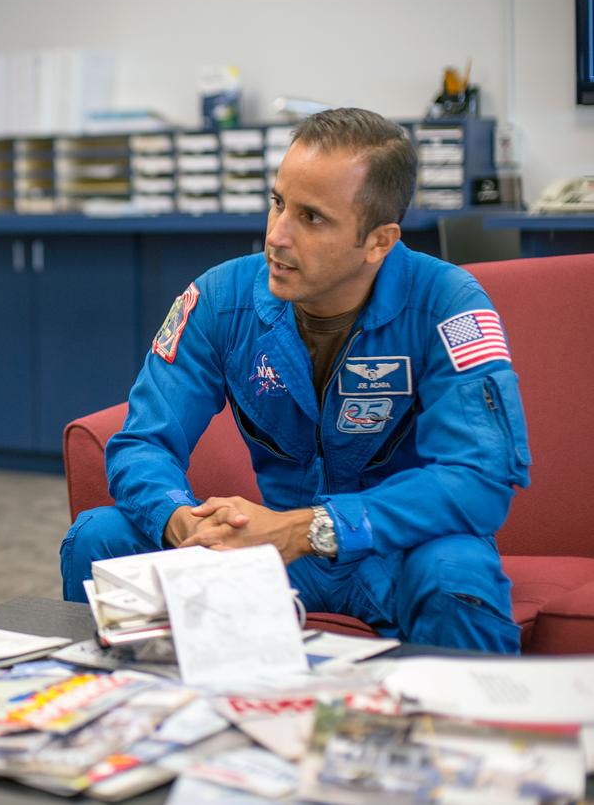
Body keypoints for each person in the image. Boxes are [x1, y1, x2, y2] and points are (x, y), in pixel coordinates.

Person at [61, 108, 529, 653]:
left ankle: (470, 732)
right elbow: (143, 442)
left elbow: (478, 479)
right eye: (278, 203)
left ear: (379, 241)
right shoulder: (221, 299)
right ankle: (112, 717)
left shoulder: (447, 304)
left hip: (398, 549)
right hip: (267, 554)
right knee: (100, 536)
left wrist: (307, 529)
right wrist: (181, 523)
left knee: (458, 571)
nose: (277, 237)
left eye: (312, 218)